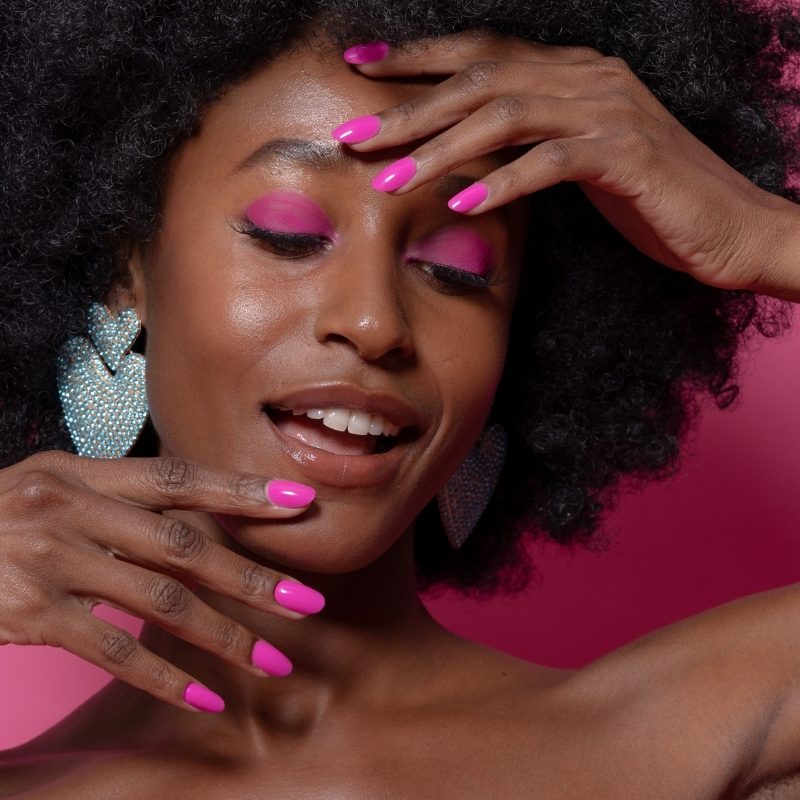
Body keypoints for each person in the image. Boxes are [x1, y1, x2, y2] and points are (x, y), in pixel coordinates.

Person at [2, 0, 800, 796]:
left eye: (455, 268)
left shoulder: (680, 737)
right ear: (129, 270)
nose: (375, 322)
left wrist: (760, 237)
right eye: (287, 232)